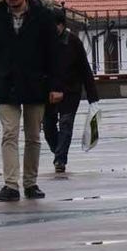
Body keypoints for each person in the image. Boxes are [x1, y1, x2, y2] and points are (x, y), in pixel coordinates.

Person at [0, 0, 64, 202]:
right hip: (6, 84)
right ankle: (10, 185)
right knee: (9, 134)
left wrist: (56, 85)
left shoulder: (42, 15)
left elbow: (53, 53)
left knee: (33, 136)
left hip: (35, 83)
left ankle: (30, 183)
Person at [43, 9, 99, 172]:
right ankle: (58, 151)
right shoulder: (43, 43)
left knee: (66, 124)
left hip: (70, 91)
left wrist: (92, 96)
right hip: (48, 92)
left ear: (61, 25)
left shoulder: (74, 42)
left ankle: (60, 160)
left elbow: (85, 70)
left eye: (54, 26)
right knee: (48, 126)